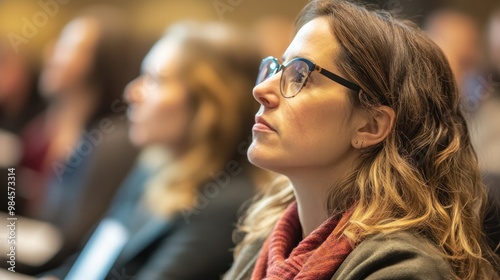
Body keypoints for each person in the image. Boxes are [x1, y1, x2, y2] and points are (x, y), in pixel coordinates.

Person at [224, 1, 500, 279]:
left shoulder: (403, 269)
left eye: (300, 76)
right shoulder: (265, 244)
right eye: (276, 69)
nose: (261, 90)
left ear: (370, 125)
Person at [41, 21, 265, 280]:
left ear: (208, 105)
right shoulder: (153, 168)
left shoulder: (224, 205)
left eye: (154, 79)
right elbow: (87, 267)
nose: (131, 93)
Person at [15, 6, 143, 273]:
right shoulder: (43, 123)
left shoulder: (111, 141)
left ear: (103, 62)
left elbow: (71, 243)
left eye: (68, 47)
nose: (52, 53)